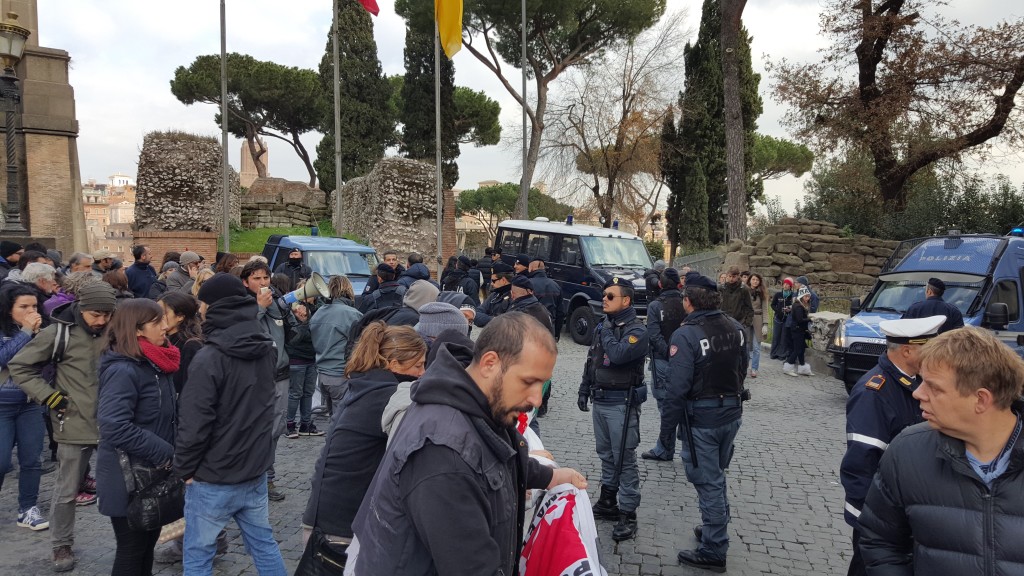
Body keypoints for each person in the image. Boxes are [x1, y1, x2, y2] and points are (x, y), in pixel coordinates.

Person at [346, 313, 587, 575]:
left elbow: (496, 461)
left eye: (543, 384)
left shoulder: (477, 405)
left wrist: (550, 476)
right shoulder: (442, 453)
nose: (536, 399)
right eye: (529, 382)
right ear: (490, 363)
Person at [858, 327, 1024, 575]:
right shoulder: (906, 452)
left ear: (981, 399)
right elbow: (880, 543)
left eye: (934, 387)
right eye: (921, 381)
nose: (917, 393)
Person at [176, 273, 287, 575]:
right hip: (253, 468)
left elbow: (194, 421)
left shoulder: (208, 357)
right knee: (264, 544)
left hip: (214, 474)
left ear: (212, 307)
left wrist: (185, 468)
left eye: (202, 303)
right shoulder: (267, 348)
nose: (199, 309)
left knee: (198, 552)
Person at [298, 323, 427, 574]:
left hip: (324, 515)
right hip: (341, 527)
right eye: (418, 365)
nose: (423, 373)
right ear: (392, 364)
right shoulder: (389, 395)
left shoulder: (364, 384)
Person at [9, 282, 118, 572]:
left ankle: (133, 541)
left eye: (108, 314)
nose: (102, 320)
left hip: (115, 422)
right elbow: (19, 366)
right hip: (73, 420)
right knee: (67, 490)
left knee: (129, 485)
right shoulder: (58, 333)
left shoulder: (117, 330)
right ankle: (61, 544)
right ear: (81, 308)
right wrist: (49, 396)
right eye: (96, 314)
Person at [840, 315, 946, 576]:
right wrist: (875, 521)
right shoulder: (874, 392)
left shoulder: (915, 384)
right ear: (908, 351)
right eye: (929, 348)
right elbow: (861, 464)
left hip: (906, 516)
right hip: (881, 521)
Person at [662, 273, 747, 572]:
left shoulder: (686, 335)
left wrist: (666, 432)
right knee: (717, 475)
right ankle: (715, 529)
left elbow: (677, 388)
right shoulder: (736, 328)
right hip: (731, 413)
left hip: (703, 418)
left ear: (687, 302)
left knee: (707, 481)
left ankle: (714, 548)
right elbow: (742, 369)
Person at [95, 299, 178, 576]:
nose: (166, 327)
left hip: (151, 474)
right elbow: (114, 425)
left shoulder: (154, 361)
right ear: (137, 330)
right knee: (132, 550)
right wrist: (166, 452)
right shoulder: (124, 369)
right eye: (157, 322)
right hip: (127, 477)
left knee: (146, 547)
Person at [577, 276, 649, 542]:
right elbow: (593, 360)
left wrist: (607, 330)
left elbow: (618, 355)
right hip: (602, 399)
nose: (604, 300)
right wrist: (584, 389)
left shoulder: (637, 331)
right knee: (607, 454)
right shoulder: (603, 326)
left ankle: (628, 512)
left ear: (626, 300)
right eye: (604, 295)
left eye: (610, 296)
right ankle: (608, 501)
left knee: (624, 459)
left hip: (622, 403)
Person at [240, 260, 292, 502]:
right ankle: (251, 477)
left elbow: (291, 337)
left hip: (280, 375)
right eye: (256, 279)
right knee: (256, 430)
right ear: (245, 282)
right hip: (257, 378)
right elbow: (243, 334)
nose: (263, 284)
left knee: (275, 430)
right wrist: (259, 308)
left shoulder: (276, 305)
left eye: (265, 278)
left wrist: (300, 320)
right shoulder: (241, 305)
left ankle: (267, 478)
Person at [0, 284, 49, 531]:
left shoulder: (39, 330)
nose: (31, 311)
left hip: (30, 404)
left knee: (32, 460)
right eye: (23, 307)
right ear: (9, 310)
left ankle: (27, 509)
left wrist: (39, 335)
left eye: (34, 306)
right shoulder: (9, 332)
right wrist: (27, 332)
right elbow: (4, 358)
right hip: (2, 405)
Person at [642, 268, 685, 462]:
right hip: (685, 360)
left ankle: (665, 448)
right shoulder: (686, 302)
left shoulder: (655, 305)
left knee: (665, 405)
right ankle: (686, 446)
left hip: (663, 360)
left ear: (660, 284)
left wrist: (668, 353)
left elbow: (654, 334)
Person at [310, 276, 363, 408]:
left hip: (322, 373)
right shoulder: (352, 314)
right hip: (341, 373)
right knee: (340, 418)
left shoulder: (319, 312)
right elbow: (361, 346)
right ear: (348, 289)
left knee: (332, 417)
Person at [285, 299, 323, 438]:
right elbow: (296, 338)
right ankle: (289, 424)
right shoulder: (290, 315)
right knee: (295, 393)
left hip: (310, 359)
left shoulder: (315, 311)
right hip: (297, 360)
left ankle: (305, 423)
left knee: (308, 393)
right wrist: (303, 322)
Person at [157, 291, 204, 397]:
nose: (158, 317)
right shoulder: (162, 340)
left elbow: (190, 388)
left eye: (163, 313)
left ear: (180, 316)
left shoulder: (191, 346)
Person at [783, 287, 814, 377]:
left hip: (800, 330)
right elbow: (800, 319)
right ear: (801, 297)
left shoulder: (801, 305)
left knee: (801, 350)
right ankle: (788, 366)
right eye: (806, 297)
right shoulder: (798, 306)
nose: (807, 298)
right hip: (797, 330)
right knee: (797, 350)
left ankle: (803, 367)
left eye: (808, 297)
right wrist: (810, 319)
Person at [528, 258, 562, 337]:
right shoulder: (556, 285)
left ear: (532, 268)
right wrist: (556, 333)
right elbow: (560, 312)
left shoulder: (528, 283)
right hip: (549, 328)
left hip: (531, 327)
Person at [473, 262, 514, 327]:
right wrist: (494, 319)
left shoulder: (514, 296)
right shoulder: (494, 295)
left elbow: (507, 323)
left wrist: (488, 319)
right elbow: (476, 314)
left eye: (493, 281)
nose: (491, 284)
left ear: (503, 280)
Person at [719, 266, 754, 333]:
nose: (731, 278)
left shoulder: (744, 289)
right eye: (729, 276)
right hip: (723, 321)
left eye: (733, 276)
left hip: (739, 322)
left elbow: (749, 308)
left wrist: (746, 324)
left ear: (738, 276)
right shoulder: (721, 288)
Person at [747, 273, 768, 378]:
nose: (755, 281)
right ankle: (744, 366)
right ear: (750, 280)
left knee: (756, 347)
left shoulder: (762, 293)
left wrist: (765, 324)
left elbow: (765, 309)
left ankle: (754, 368)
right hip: (746, 320)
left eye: (757, 280)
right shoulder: (744, 291)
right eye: (753, 279)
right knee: (746, 346)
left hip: (758, 319)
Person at [770, 278, 795, 360]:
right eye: (784, 284)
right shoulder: (778, 294)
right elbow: (772, 304)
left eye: (788, 284)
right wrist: (778, 311)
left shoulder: (792, 295)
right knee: (776, 336)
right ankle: (773, 353)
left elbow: (794, 306)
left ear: (790, 286)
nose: (785, 285)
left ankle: (782, 354)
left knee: (783, 337)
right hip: (778, 318)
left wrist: (790, 309)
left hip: (787, 318)